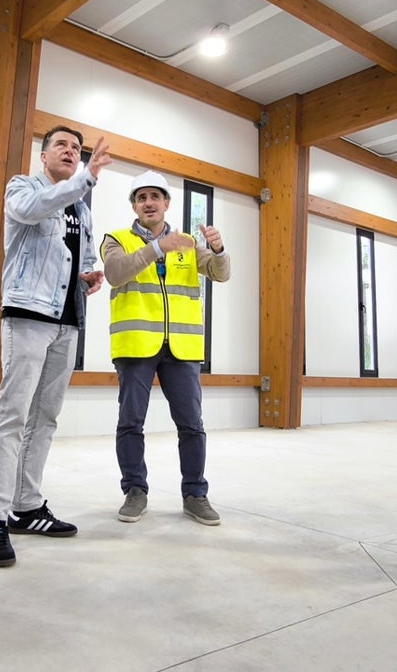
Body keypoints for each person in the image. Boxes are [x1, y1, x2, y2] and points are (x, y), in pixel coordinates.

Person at [0, 125, 112, 567]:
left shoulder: (81, 205)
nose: (71, 152)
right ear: (43, 155)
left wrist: (88, 275)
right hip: (29, 315)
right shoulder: (24, 187)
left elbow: (82, 256)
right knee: (12, 415)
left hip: (68, 318)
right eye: (62, 145)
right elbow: (34, 211)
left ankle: (28, 506)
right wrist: (86, 178)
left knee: (45, 418)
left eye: (76, 148)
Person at [101, 170, 231, 527]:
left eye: (154, 197)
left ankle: (195, 494)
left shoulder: (188, 243)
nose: (148, 203)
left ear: (166, 204)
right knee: (131, 422)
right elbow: (115, 273)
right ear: (134, 205)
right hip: (136, 344)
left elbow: (220, 273)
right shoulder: (118, 239)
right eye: (141, 198)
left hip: (182, 347)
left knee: (192, 424)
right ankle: (135, 491)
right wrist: (158, 247)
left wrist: (218, 249)